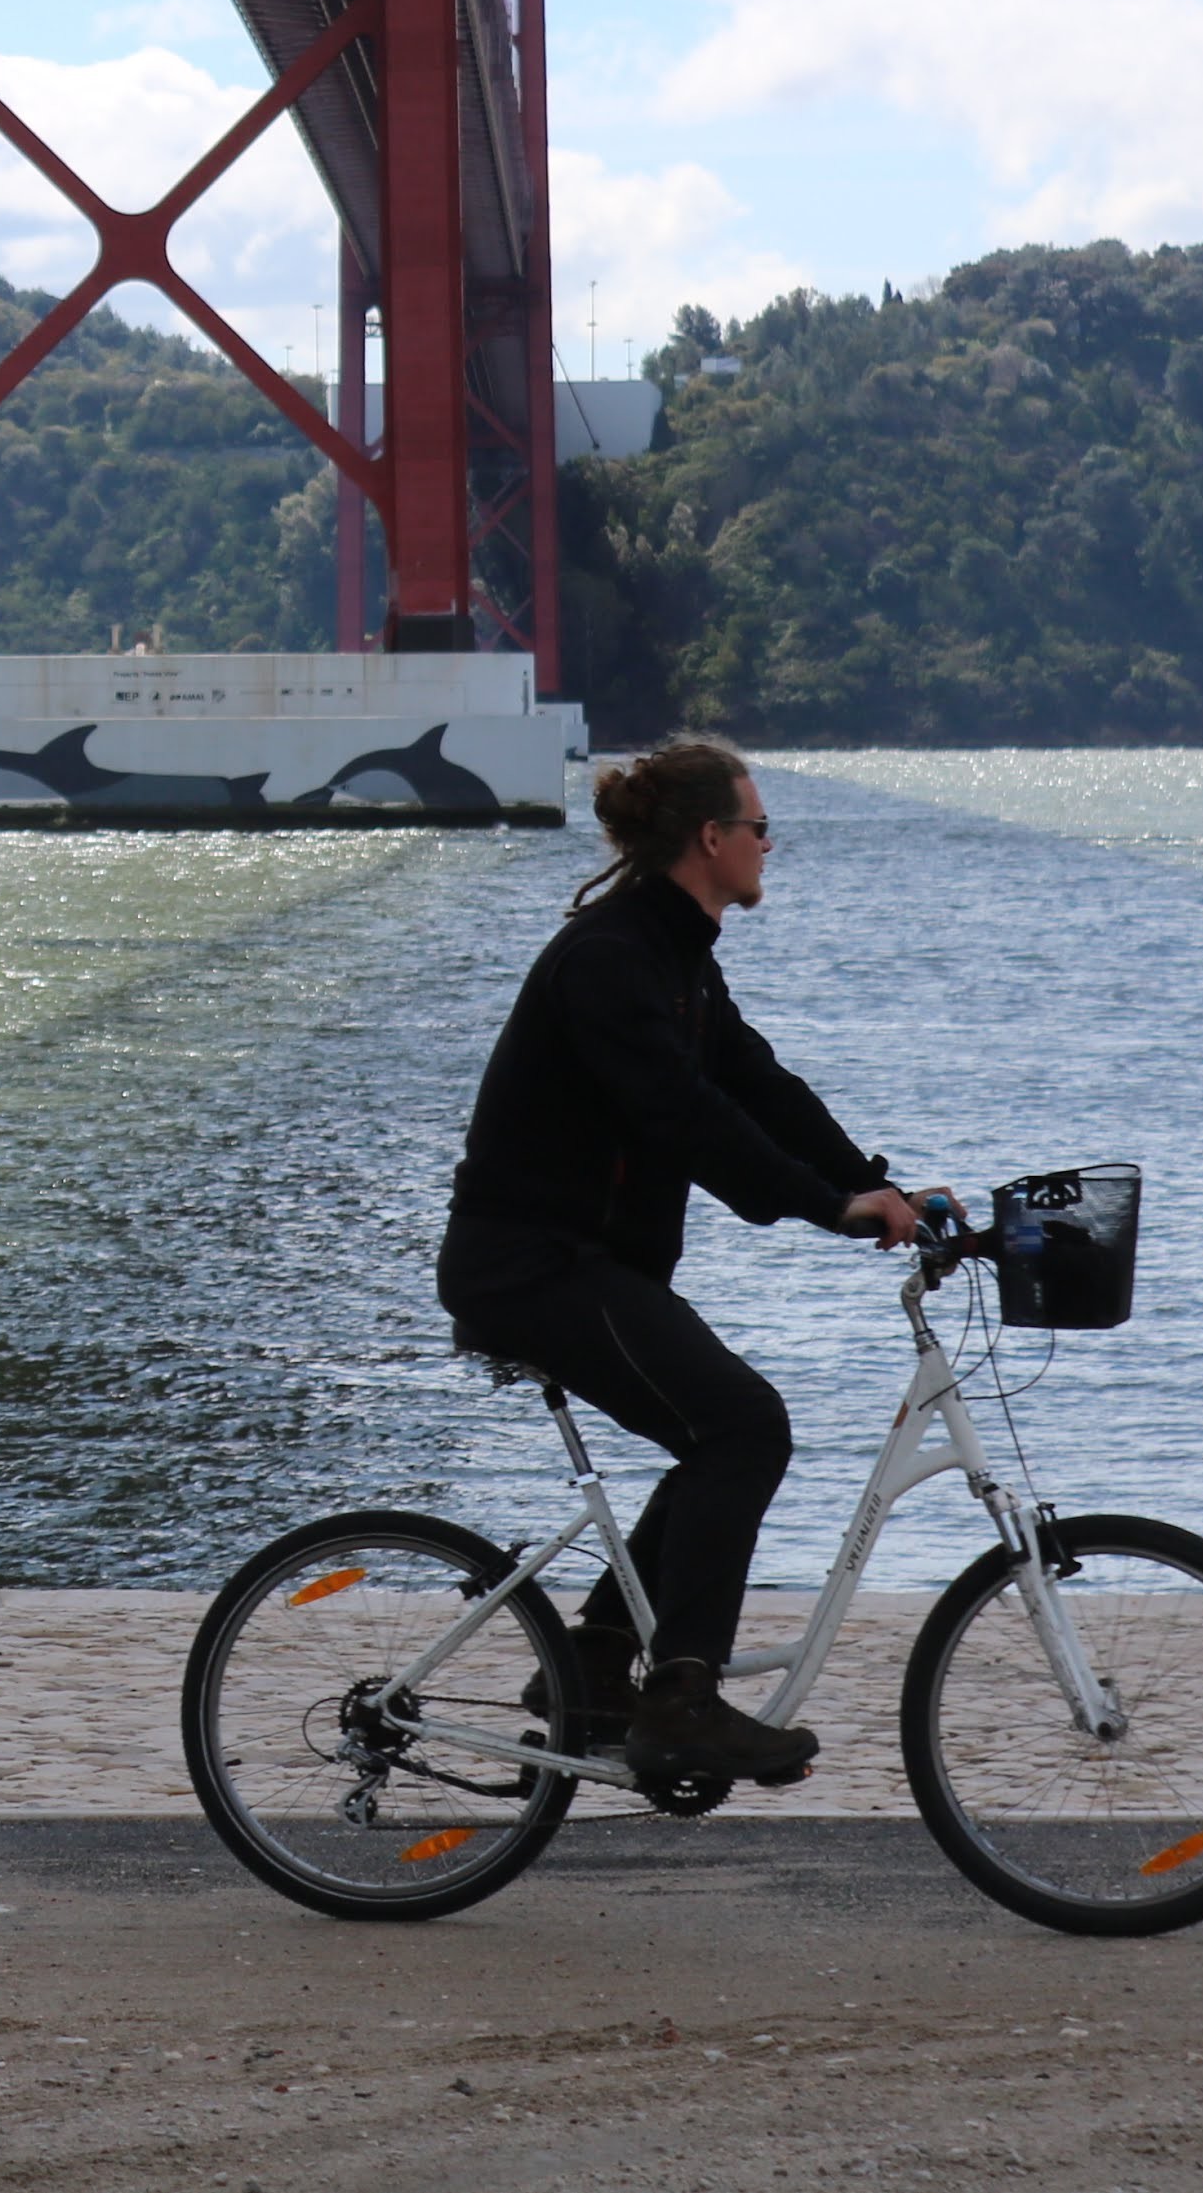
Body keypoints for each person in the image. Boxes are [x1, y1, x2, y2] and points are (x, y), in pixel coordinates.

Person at [436, 740, 931, 1789]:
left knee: (714, 1434)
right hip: (528, 1265)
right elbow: (684, 1120)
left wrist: (884, 1185)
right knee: (741, 1426)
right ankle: (683, 1702)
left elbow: (756, 1085)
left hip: (579, 1262)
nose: (767, 847)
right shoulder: (609, 961)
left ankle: (594, 1658)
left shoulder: (674, 958)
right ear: (709, 840)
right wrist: (828, 1206)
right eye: (758, 829)